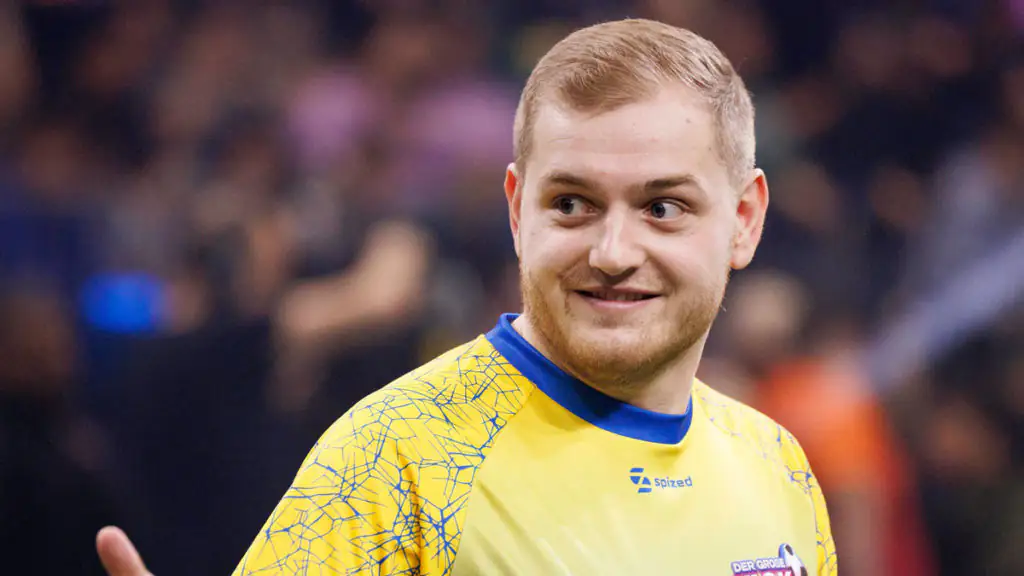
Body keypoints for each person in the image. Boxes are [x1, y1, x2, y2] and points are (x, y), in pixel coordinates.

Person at [97, 18, 837, 575]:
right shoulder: (393, 462)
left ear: (744, 220)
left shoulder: (779, 470)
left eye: (663, 208)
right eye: (571, 205)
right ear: (517, 212)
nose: (613, 253)